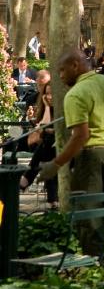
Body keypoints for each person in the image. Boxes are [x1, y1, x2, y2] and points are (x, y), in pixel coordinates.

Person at [38, 49, 104, 271]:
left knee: (89, 213)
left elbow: (81, 136)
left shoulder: (76, 94)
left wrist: (56, 164)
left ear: (76, 65)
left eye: (62, 71)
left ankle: (95, 266)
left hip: (91, 156)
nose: (61, 76)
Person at [19, 72, 58, 208]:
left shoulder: (64, 108)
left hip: (63, 148)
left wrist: (48, 130)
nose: (49, 96)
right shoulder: (44, 105)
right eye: (47, 93)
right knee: (48, 151)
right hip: (47, 146)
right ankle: (53, 201)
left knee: (48, 147)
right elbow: (43, 126)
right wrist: (47, 107)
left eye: (52, 93)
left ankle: (26, 178)